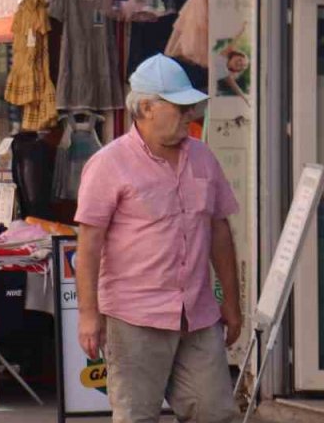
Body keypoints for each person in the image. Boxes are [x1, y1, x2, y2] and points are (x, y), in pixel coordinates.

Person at [75, 54, 241, 423]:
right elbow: (89, 245)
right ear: (146, 108)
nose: (188, 115)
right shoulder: (108, 163)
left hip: (197, 314)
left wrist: (231, 301)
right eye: (179, 107)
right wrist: (89, 314)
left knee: (216, 412)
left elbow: (219, 231)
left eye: (190, 107)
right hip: (135, 315)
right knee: (137, 416)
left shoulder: (203, 158)